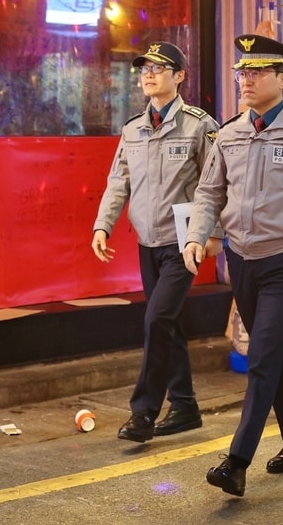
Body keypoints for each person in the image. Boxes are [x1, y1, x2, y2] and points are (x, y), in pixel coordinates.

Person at [182, 35, 283, 497]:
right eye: (242, 73)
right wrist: (197, 235)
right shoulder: (229, 132)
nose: (246, 81)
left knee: (260, 353)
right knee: (269, 353)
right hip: (241, 258)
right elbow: (209, 192)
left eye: (256, 73)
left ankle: (237, 461)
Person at [92, 42, 218, 443]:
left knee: (157, 319)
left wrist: (213, 233)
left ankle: (143, 413)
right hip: (147, 241)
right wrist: (102, 225)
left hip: (185, 241)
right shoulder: (133, 128)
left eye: (158, 68)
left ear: (179, 76)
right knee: (168, 322)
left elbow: (218, 183)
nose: (148, 74)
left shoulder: (200, 126)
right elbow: (119, 181)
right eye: (144, 68)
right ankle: (185, 406)